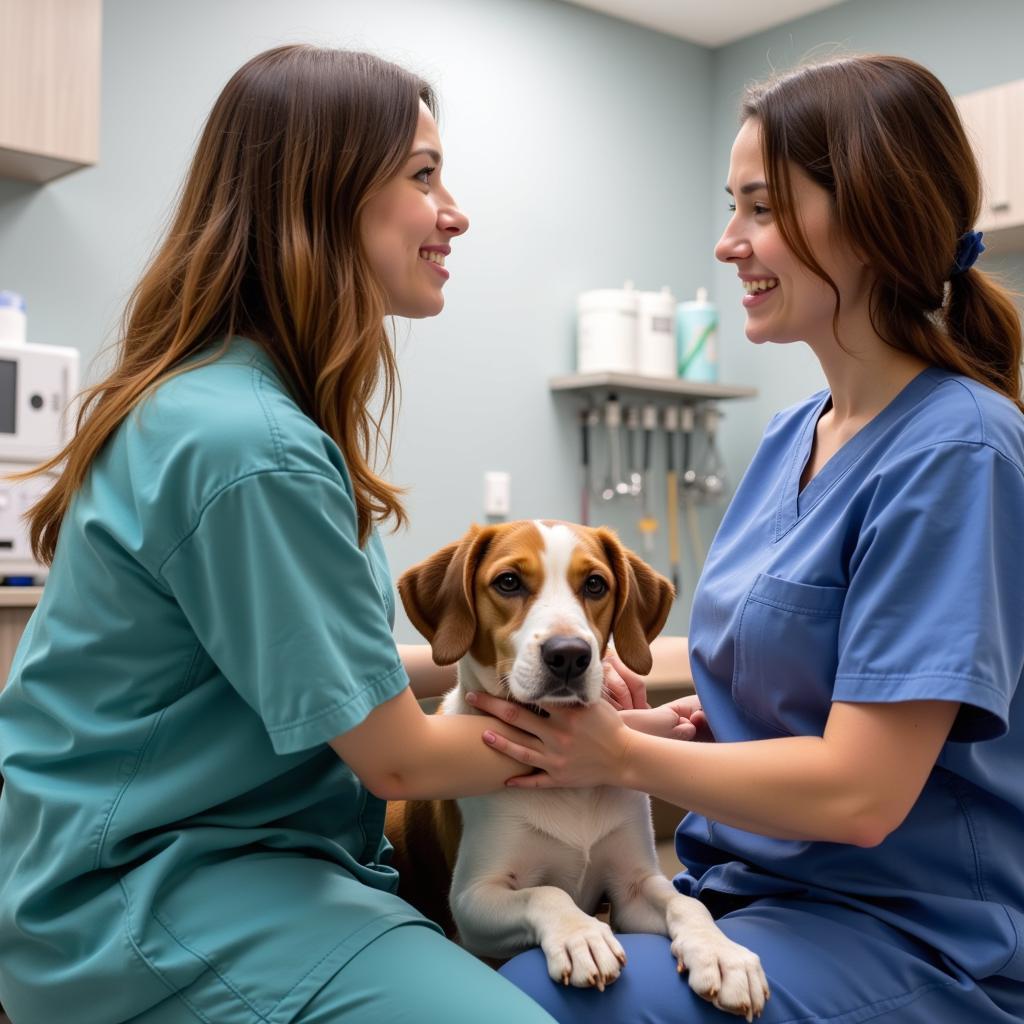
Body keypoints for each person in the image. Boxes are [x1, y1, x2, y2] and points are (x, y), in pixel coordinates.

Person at [0, 44, 593, 1024]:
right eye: (423, 175)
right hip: (145, 897)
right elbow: (397, 762)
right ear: (322, 195)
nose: (456, 211)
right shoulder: (250, 443)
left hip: (212, 862)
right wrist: (608, 746)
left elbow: (318, 671)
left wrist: (493, 669)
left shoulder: (241, 409)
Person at [471, 54, 1024, 1023]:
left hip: (904, 932)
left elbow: (859, 790)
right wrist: (547, 669)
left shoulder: (959, 451)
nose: (728, 244)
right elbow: (755, 649)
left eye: (759, 208)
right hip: (743, 889)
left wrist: (616, 754)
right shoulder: (789, 438)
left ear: (870, 214)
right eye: (731, 207)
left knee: (537, 1004)